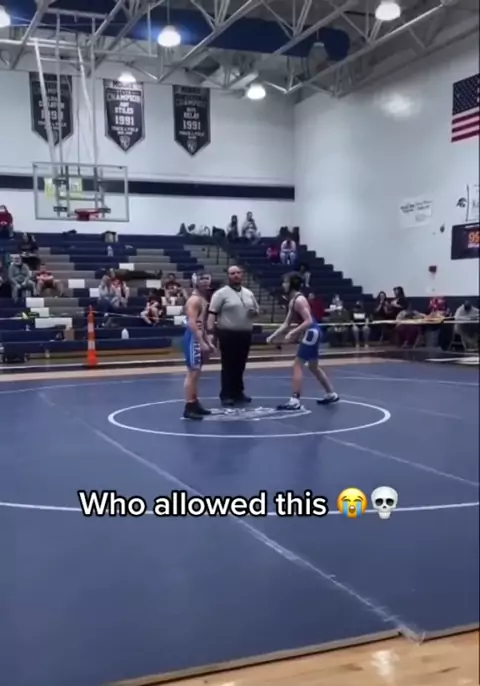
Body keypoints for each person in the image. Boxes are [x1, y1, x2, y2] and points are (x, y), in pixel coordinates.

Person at [266, 272, 339, 410]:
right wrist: (273, 336)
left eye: (286, 282)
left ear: (292, 284)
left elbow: (308, 321)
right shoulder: (293, 301)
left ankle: (295, 400)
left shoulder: (299, 300)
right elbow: (286, 323)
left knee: (297, 365)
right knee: (313, 367)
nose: (283, 285)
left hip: (312, 332)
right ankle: (331, 394)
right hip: (312, 332)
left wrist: (293, 332)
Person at [206, 265, 259, 406]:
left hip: (245, 333)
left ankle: (238, 392)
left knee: (241, 364)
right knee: (228, 364)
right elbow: (212, 313)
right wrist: (210, 333)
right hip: (227, 333)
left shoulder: (249, 293)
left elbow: (257, 311)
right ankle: (226, 394)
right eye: (232, 273)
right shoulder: (220, 294)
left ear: (242, 275)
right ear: (228, 276)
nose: (236, 275)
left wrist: (254, 313)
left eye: (238, 273)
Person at [183, 272, 216, 420]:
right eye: (201, 279)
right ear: (195, 281)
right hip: (193, 338)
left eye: (207, 278)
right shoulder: (194, 300)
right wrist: (201, 342)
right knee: (192, 372)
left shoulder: (203, 299)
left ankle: (194, 402)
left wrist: (208, 341)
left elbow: (201, 323)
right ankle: (189, 407)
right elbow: (191, 323)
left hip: (198, 336)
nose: (205, 281)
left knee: (197, 373)